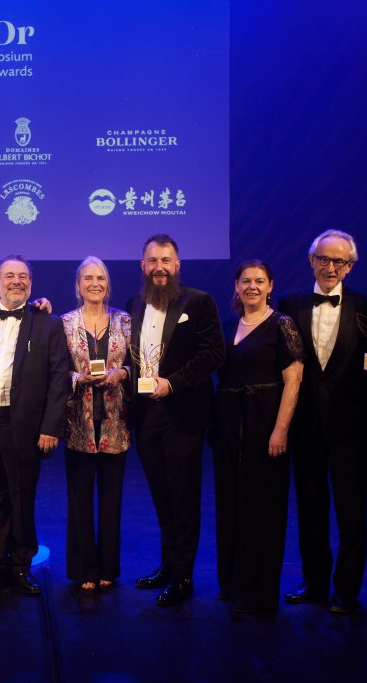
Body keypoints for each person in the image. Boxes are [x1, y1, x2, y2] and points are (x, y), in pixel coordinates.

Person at [278, 230, 367, 614]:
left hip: (350, 426)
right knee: (310, 508)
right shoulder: (289, 303)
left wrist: (344, 399)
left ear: (350, 266)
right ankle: (316, 583)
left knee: (352, 512)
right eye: (323, 259)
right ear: (312, 261)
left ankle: (348, 590)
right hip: (305, 426)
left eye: (339, 261)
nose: (330, 267)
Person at [0, 256, 70, 596]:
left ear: (31, 284)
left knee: (21, 498)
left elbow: (59, 379)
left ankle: (21, 565)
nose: (16, 281)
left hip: (23, 426)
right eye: (9, 275)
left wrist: (51, 427)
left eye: (23, 276)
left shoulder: (47, 323)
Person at [128, 234, 225, 606]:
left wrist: (174, 383)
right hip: (146, 416)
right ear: (143, 266)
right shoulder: (133, 304)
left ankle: (183, 576)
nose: (160, 268)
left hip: (183, 414)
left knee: (183, 498)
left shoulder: (199, 302)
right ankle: (168, 566)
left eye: (166, 260)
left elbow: (214, 353)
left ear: (178, 265)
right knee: (161, 496)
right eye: (153, 261)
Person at [212, 259, 303, 614]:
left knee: (263, 508)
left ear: (270, 286)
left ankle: (259, 592)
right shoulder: (227, 327)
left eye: (259, 281)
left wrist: (281, 429)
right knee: (231, 504)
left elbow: (294, 379)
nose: (252, 286)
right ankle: (233, 583)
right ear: (236, 286)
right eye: (246, 281)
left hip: (265, 424)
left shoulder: (282, 325)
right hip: (229, 426)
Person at [61, 257, 132, 593]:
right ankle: (84, 569)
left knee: (111, 499)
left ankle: (108, 568)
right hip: (78, 425)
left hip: (116, 424)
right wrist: (78, 377)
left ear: (108, 284)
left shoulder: (125, 321)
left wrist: (122, 373)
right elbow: (56, 370)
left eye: (100, 278)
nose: (94, 283)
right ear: (78, 285)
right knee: (80, 499)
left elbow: (139, 365)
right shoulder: (64, 323)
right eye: (88, 278)